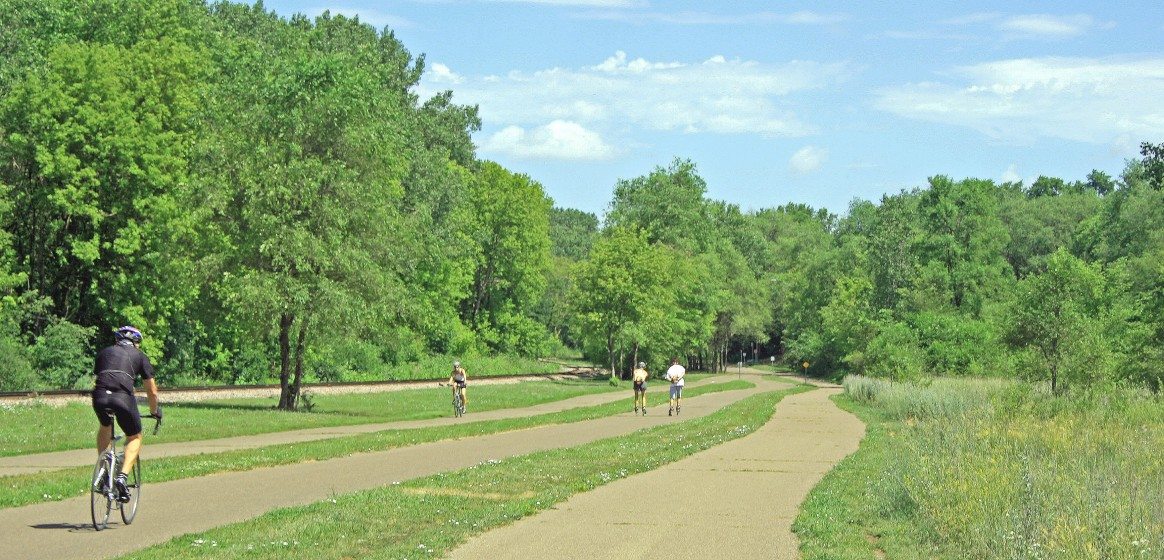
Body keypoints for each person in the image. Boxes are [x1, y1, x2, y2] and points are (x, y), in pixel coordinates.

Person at [91, 325, 161, 502]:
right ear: (136, 343)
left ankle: (104, 469)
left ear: (117, 340)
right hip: (122, 398)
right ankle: (122, 477)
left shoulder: (104, 352)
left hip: (99, 396)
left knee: (105, 426)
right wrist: (154, 411)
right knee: (135, 437)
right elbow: (152, 390)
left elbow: (100, 376)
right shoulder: (140, 356)